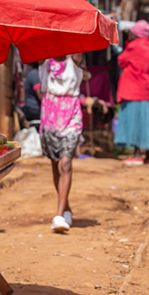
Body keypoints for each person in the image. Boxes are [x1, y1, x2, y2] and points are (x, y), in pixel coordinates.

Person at [39, 54, 84, 233]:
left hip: (71, 115)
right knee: (56, 164)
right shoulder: (45, 59)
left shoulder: (75, 58)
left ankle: (58, 215)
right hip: (50, 115)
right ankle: (66, 207)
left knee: (65, 163)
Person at [115, 20, 149, 165]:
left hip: (133, 89)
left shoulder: (134, 46)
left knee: (135, 122)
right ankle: (148, 156)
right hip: (147, 89)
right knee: (148, 122)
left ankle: (136, 155)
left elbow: (121, 61)